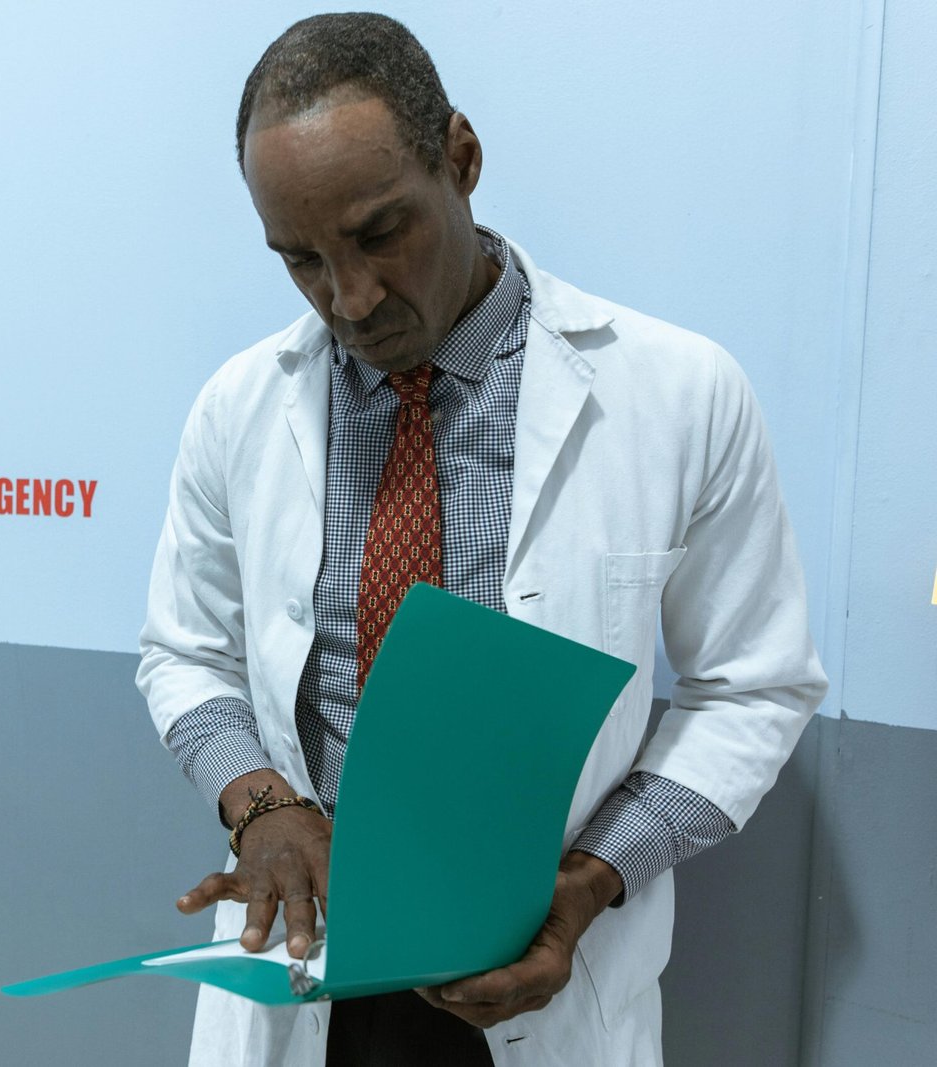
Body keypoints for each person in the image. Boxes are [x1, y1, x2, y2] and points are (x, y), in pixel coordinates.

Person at [135, 13, 827, 1067]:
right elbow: (185, 651)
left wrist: (589, 885)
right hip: (305, 975)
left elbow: (754, 685)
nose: (349, 299)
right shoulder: (239, 406)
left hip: (550, 973)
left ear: (460, 158)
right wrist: (263, 807)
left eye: (378, 234)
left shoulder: (678, 393)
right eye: (301, 261)